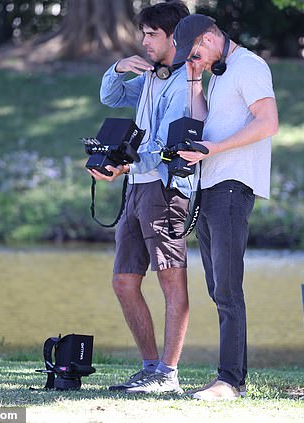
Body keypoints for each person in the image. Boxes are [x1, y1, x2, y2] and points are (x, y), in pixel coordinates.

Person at [171, 14, 279, 401]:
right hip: (211, 186)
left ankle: (229, 381)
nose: (194, 58)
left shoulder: (249, 66)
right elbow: (201, 123)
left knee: (228, 288)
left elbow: (268, 123)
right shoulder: (219, 73)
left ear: (211, 37)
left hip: (233, 186)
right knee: (218, 288)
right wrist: (194, 78)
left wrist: (216, 150)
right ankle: (234, 378)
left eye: (196, 51)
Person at [89, 1, 191, 394]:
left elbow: (166, 145)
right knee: (123, 281)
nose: (144, 41)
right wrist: (117, 68)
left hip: (164, 189)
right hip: (137, 187)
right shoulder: (152, 76)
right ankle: (150, 367)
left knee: (171, 281)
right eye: (143, 34)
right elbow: (111, 98)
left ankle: (168, 373)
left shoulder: (184, 85)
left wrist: (125, 167)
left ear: (174, 38)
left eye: (153, 35)